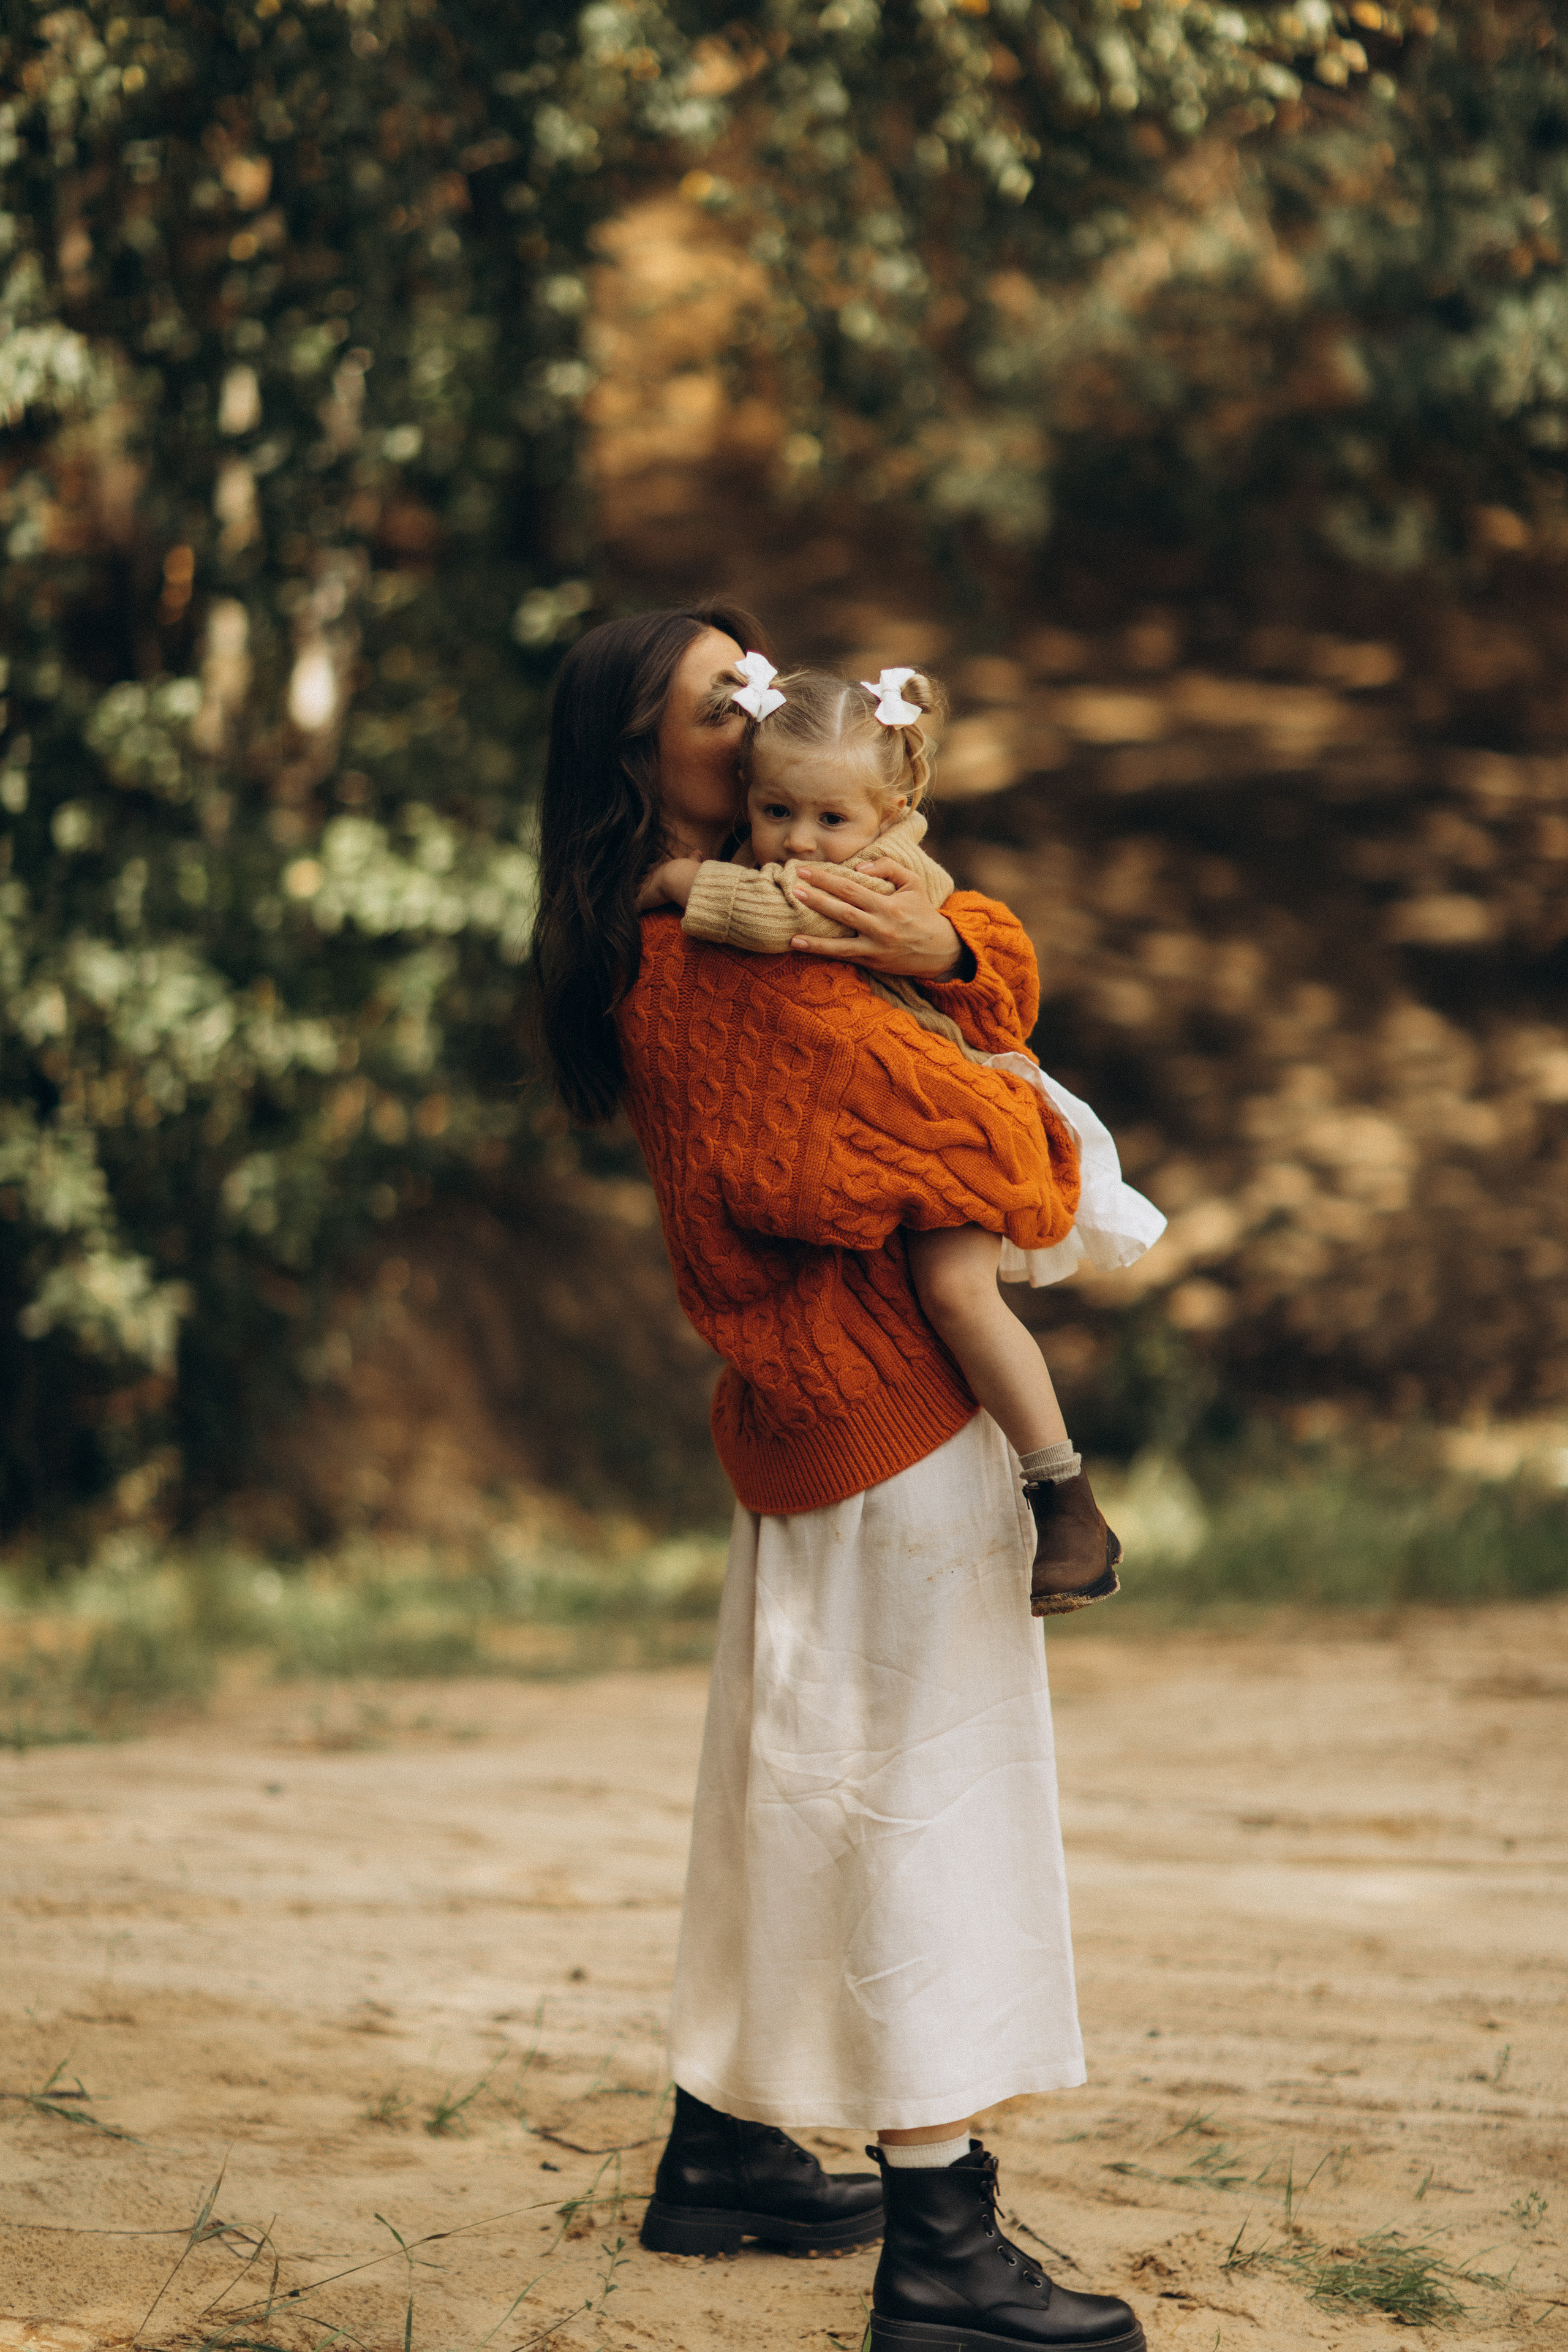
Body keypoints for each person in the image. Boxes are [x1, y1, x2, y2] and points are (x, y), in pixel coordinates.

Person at [533, 605, 1147, 2352]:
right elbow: (961, 1147)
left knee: (792, 1778)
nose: (758, 710)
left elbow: (989, 975)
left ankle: (725, 2143)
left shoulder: (773, 909)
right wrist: (1039, 1131)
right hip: (892, 1421)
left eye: (756, 678)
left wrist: (950, 948)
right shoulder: (717, 957)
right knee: (927, 1809)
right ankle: (946, 2251)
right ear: (641, 765)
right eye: (715, 702)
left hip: (809, 1420)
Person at [636, 655, 1166, 1611]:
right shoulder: (854, 842)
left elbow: (769, 914)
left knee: (959, 1294)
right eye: (776, 813)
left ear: (889, 809)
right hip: (921, 1127)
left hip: (953, 1116)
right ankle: (1061, 1495)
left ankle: (1068, 1495)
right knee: (950, 1294)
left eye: (829, 819)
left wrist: (678, 881)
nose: (801, 843)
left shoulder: (871, 872)